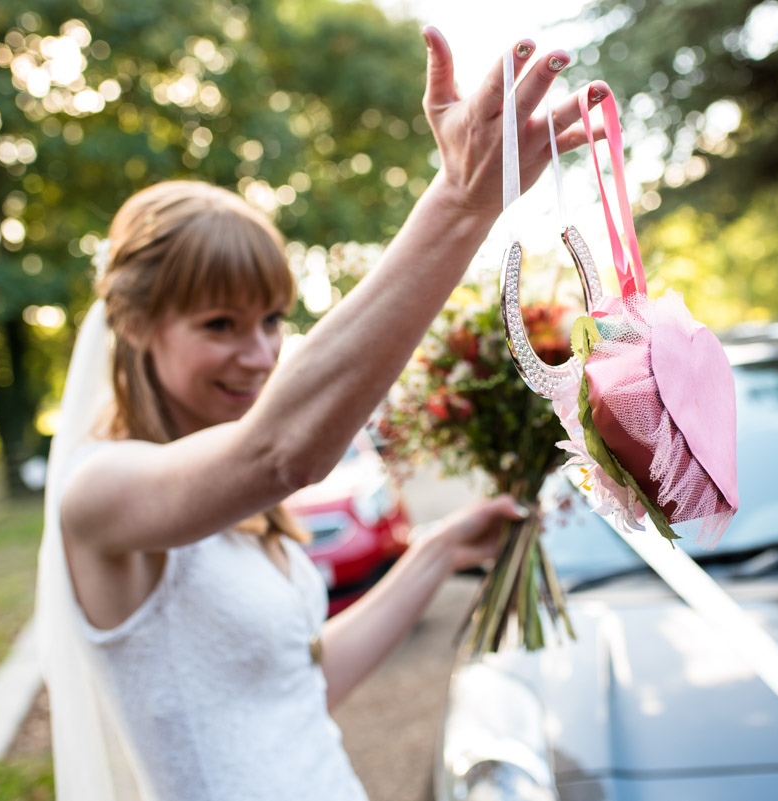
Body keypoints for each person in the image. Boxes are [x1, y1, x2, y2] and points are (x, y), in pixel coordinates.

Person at [37, 28, 608, 800]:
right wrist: (459, 203)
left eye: (272, 320)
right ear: (137, 327)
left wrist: (434, 553)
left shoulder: (233, 512)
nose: (258, 353)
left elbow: (299, 686)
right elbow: (280, 455)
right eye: (219, 325)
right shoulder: (98, 491)